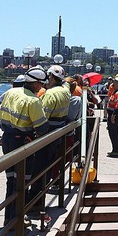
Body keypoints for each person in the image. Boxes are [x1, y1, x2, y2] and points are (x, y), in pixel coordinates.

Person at [0, 66, 49, 226]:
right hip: (23, 142)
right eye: (41, 84)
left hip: (7, 139)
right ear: (35, 84)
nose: (42, 87)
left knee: (11, 181)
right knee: (21, 182)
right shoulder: (33, 100)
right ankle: (17, 219)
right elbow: (42, 127)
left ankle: (10, 217)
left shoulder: (11, 92)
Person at [31, 65, 70, 206]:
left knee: (39, 169)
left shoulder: (50, 94)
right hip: (58, 133)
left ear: (52, 77)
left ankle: (36, 202)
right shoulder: (65, 91)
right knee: (48, 167)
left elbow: (42, 118)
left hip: (47, 134)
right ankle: (40, 198)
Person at [106, 76, 118, 158]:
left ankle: (117, 151)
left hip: (114, 116)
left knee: (114, 134)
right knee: (112, 133)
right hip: (111, 115)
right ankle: (115, 149)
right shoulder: (114, 92)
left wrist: (113, 115)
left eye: (115, 82)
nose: (113, 84)